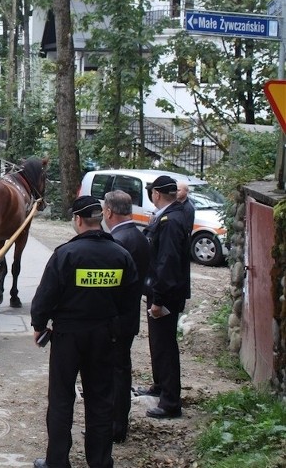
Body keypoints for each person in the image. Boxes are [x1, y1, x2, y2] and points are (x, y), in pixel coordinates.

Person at [31, 196, 138, 468]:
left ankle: (57, 461)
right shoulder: (120, 255)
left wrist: (39, 326)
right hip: (104, 336)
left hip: (68, 336)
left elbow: (45, 296)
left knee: (61, 399)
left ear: (78, 220)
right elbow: (129, 301)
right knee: (101, 399)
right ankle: (100, 461)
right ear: (99, 219)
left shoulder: (66, 254)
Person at [137, 175, 191, 419]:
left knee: (165, 346)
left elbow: (167, 263)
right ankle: (160, 386)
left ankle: (170, 401)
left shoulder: (171, 221)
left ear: (156, 194)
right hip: (163, 290)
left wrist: (158, 299)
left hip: (166, 293)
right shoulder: (172, 215)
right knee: (158, 343)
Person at [103, 190, 150, 444]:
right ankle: (118, 423)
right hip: (129, 317)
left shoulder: (117, 242)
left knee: (113, 374)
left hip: (114, 321)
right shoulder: (140, 237)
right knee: (121, 370)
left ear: (109, 212)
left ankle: (113, 426)